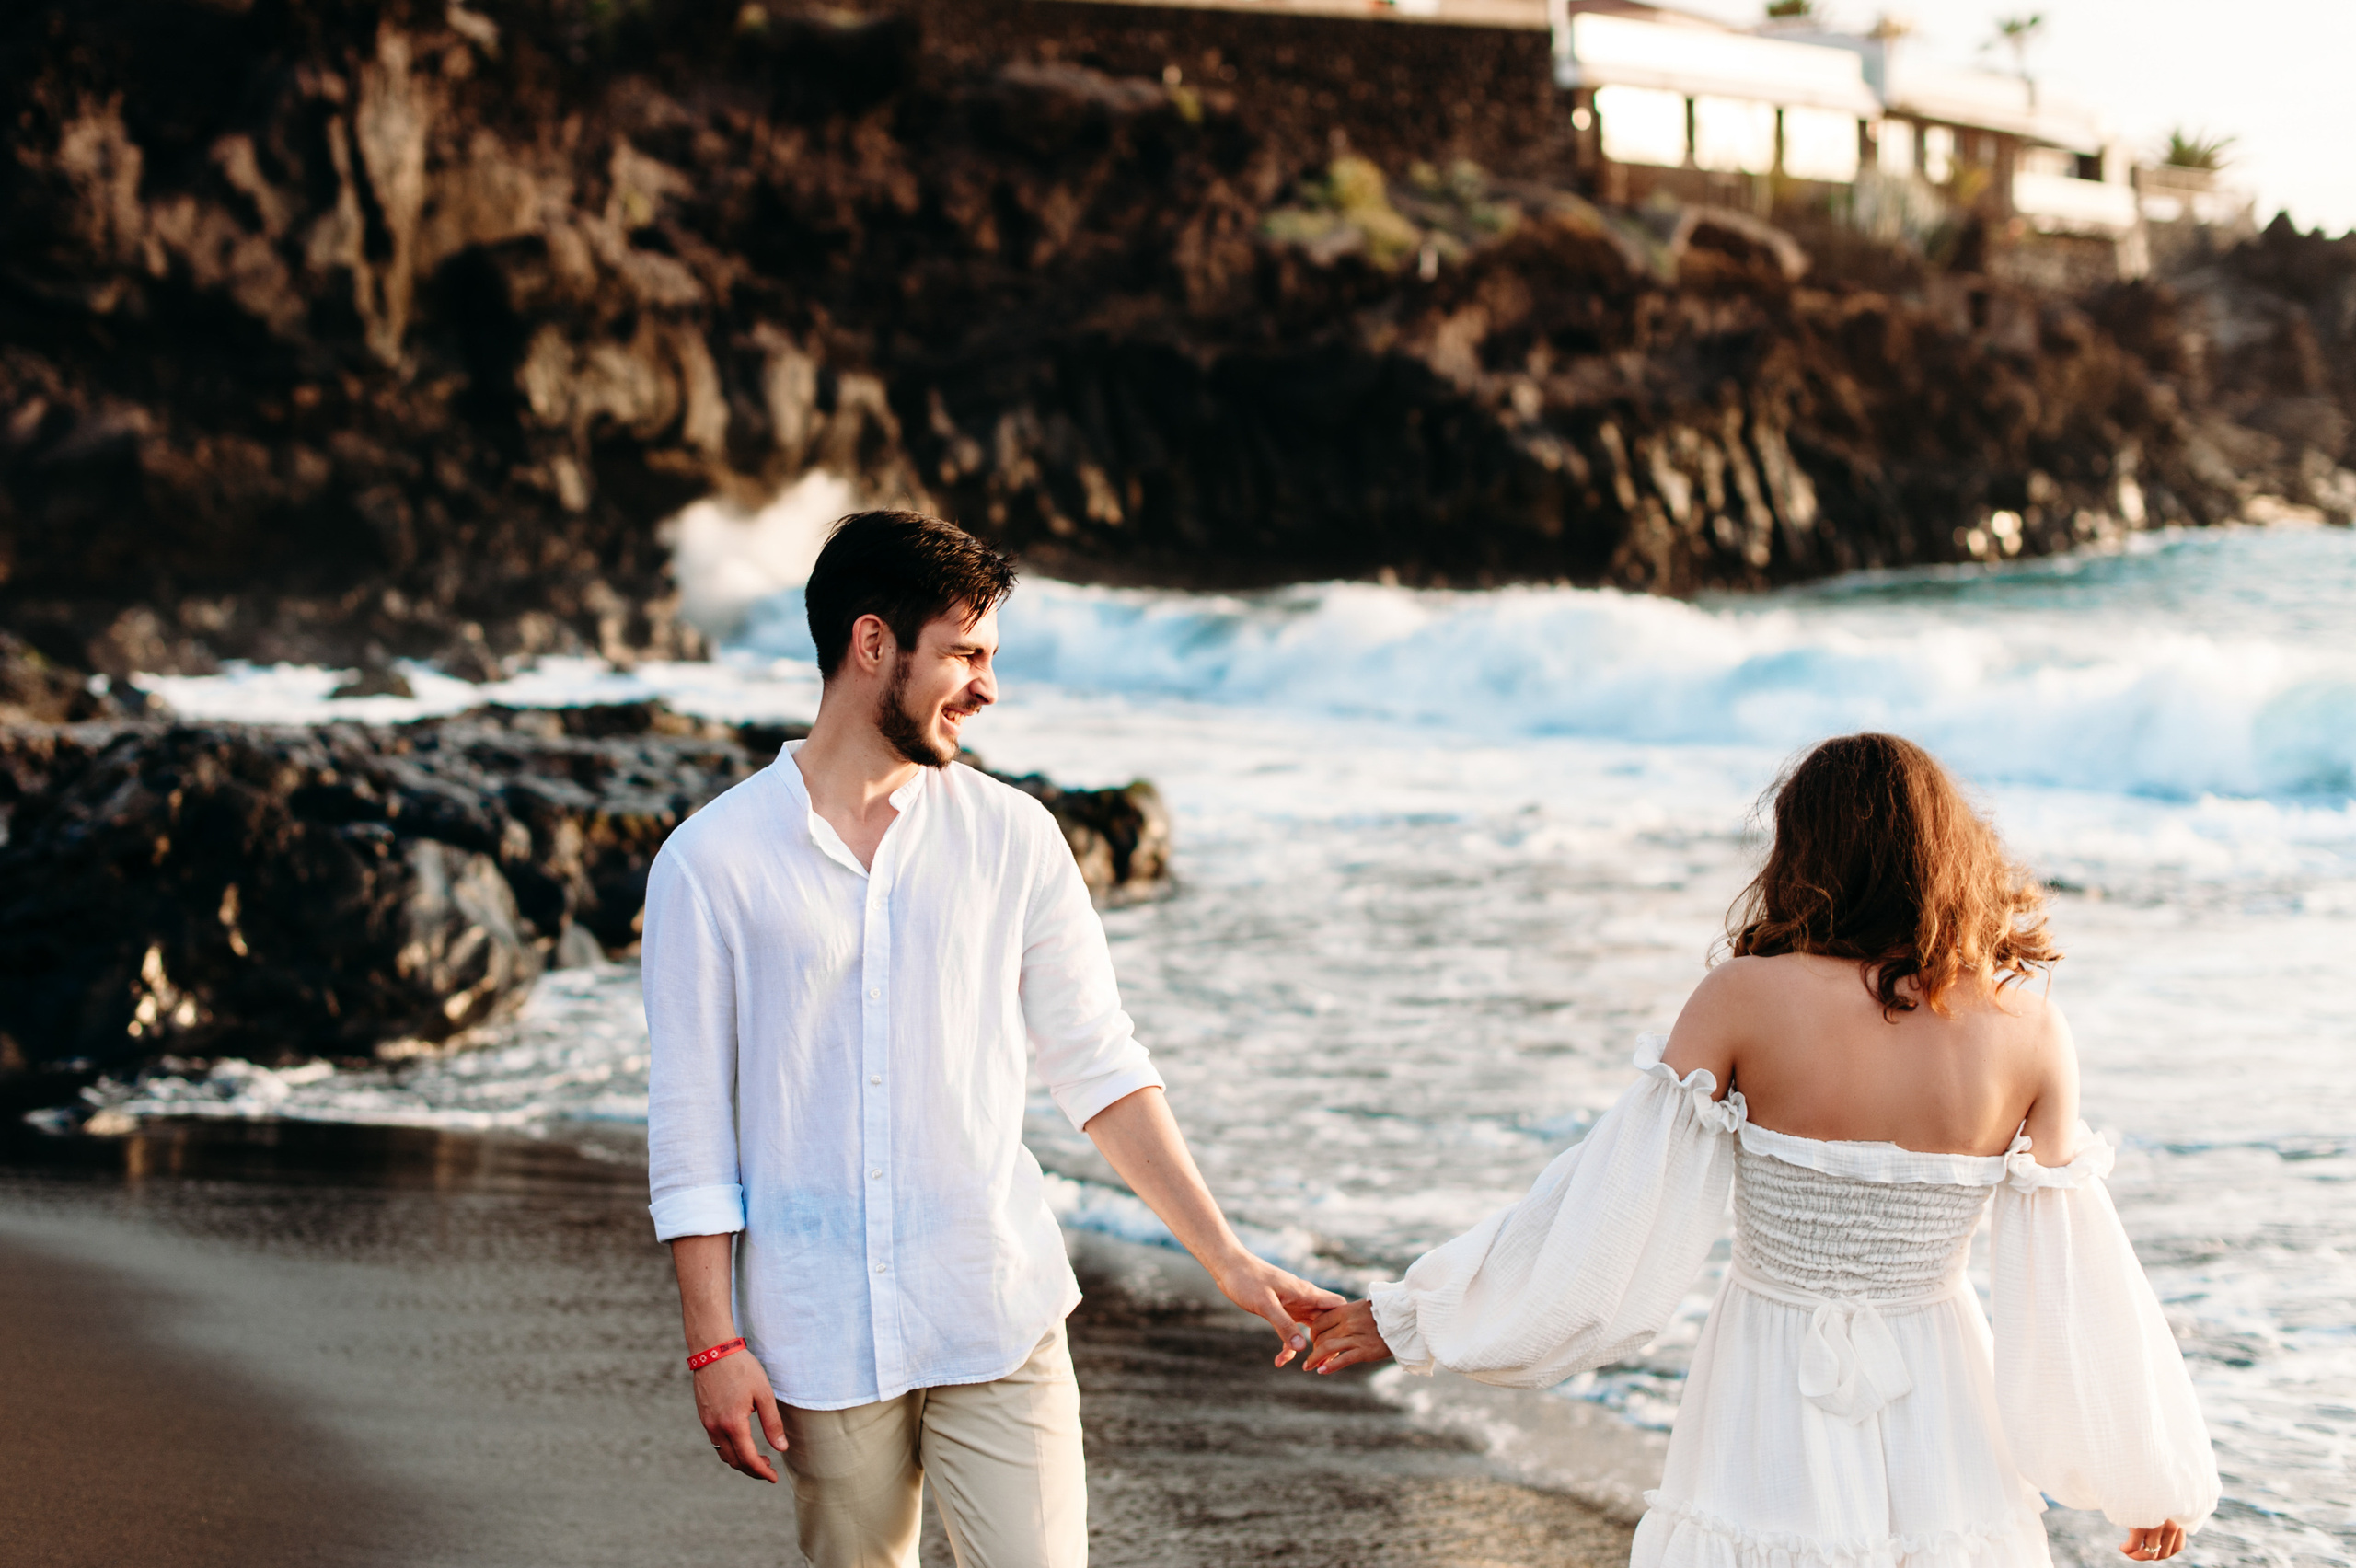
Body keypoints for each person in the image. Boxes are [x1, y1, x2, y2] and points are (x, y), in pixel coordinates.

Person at [1304, 732, 2220, 1566]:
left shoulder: (1742, 997)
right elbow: (2074, 1279)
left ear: (1804, 851)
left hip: (1768, 1367)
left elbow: (1608, 1205)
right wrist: (2146, 1470)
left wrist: (1419, 1316)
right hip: (1940, 1378)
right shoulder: (2028, 1028)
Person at [642, 511, 1339, 1568]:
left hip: (996, 1308)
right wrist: (713, 1341)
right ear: (873, 644)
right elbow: (693, 1128)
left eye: (991, 656)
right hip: (820, 1332)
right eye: (965, 653)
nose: (987, 687)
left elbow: (1099, 1067)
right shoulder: (712, 863)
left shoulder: (1014, 839)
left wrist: (1226, 1258)